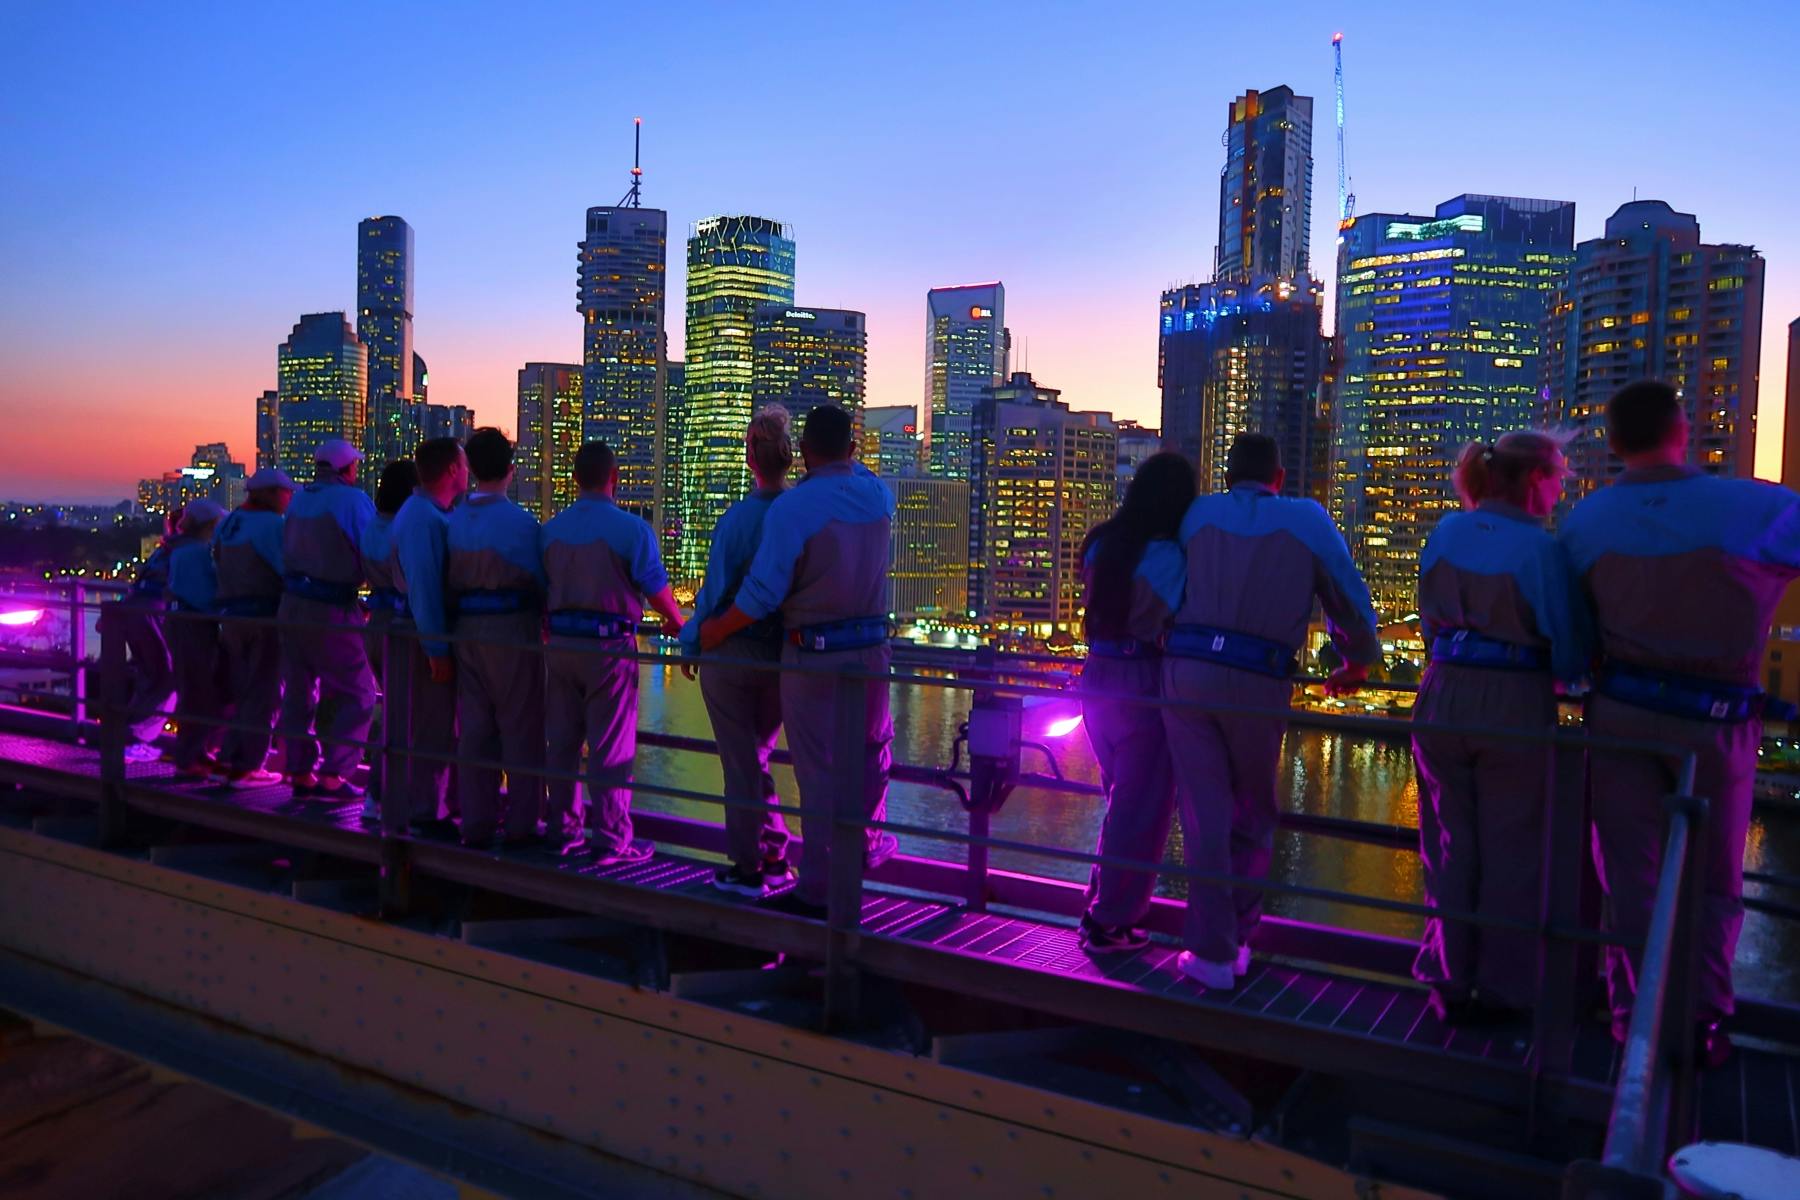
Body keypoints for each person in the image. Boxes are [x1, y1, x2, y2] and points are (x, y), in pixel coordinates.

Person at [1559, 380, 1800, 1067]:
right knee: (1714, 881)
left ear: (1611, 444)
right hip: (1717, 722)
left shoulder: (1586, 521)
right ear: (1683, 429)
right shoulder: (1758, 506)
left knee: (1628, 880)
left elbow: (1573, 640)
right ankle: (1701, 1022)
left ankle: (1635, 1019)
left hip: (1621, 716)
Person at [1162, 434, 1381, 989]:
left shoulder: (1197, 514)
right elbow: (1348, 599)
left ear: (1227, 474)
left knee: (1203, 814)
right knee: (1253, 811)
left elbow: (1166, 585)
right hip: (1258, 680)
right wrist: (1357, 661)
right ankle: (1234, 941)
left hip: (1185, 675)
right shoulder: (1307, 518)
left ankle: (1209, 953)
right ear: (1278, 478)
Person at [1409, 432, 1593, 1024]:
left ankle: (1449, 978)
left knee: (1448, 846)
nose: (1561, 487)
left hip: (1441, 692)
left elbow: (1429, 623)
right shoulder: (1539, 551)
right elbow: (1568, 648)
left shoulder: (1445, 532)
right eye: (1557, 476)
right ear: (1533, 479)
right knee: (1512, 849)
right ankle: (1506, 990)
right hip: (1511, 697)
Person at [699, 404, 897, 914]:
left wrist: (712, 630)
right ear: (853, 450)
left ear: (805, 452)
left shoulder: (794, 510)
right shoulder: (878, 494)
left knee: (818, 771)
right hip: (874, 653)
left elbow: (761, 593)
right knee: (872, 754)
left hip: (814, 655)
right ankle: (866, 852)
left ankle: (816, 893)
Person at [541, 441, 685, 863]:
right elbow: (655, 588)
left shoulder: (550, 531)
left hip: (561, 647)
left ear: (575, 480)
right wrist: (679, 624)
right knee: (610, 748)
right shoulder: (631, 530)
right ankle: (610, 839)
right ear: (614, 479)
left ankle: (561, 830)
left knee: (562, 743)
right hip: (608, 648)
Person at [1076, 451, 1195, 953]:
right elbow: (1173, 619)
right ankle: (1109, 922)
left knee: (1120, 801)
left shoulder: (1102, 543)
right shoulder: (1170, 555)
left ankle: (1102, 904)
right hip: (1142, 680)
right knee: (1142, 807)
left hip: (1096, 678)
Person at [680, 407, 796, 897]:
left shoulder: (737, 521)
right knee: (758, 756)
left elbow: (714, 594)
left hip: (730, 652)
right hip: (783, 659)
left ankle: (747, 868)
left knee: (739, 763)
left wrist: (690, 640)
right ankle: (773, 852)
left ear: (750, 458)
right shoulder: (799, 516)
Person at [446, 428, 545, 847]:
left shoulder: (452, 520)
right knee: (521, 729)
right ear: (510, 470)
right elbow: (542, 582)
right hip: (512, 631)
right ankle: (523, 825)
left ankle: (477, 823)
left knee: (474, 731)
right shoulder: (522, 524)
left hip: (464, 630)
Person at [276, 439, 378, 800]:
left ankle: (298, 770)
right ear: (345, 469)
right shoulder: (351, 500)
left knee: (300, 692)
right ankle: (335, 773)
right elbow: (373, 549)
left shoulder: (299, 499)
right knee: (361, 692)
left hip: (291, 605)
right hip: (331, 608)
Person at [388, 437, 468, 835]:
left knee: (440, 725)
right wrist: (436, 649)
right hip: (426, 638)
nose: (469, 471)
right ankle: (427, 812)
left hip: (424, 633)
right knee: (434, 726)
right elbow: (424, 586)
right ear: (452, 470)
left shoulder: (425, 511)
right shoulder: (423, 518)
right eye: (465, 464)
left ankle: (439, 806)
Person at [211, 466, 295, 788]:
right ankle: (248, 766)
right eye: (287, 493)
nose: (289, 499)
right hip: (263, 616)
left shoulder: (230, 521)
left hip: (231, 617)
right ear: (274, 493)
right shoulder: (272, 524)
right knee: (265, 692)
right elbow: (285, 567)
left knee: (243, 690)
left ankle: (227, 759)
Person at [361, 459, 420, 823]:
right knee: (405, 719)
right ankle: (382, 794)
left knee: (394, 714)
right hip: (398, 624)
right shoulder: (404, 527)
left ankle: (378, 793)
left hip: (375, 622)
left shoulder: (371, 526)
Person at [164, 499, 227, 781]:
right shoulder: (199, 553)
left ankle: (193, 753)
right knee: (201, 692)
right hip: (196, 624)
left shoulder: (181, 550)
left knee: (192, 690)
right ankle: (191, 757)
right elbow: (208, 593)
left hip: (181, 621)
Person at [118, 512, 179, 762]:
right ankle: (136, 739)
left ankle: (127, 738)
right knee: (167, 678)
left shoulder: (161, 551)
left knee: (148, 677)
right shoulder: (182, 552)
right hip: (155, 614)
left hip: (136, 611)